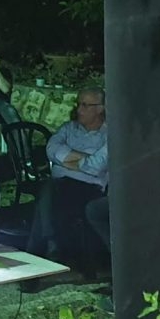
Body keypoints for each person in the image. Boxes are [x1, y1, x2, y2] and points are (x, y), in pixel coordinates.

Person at [45, 88, 108, 272]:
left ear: (100, 108)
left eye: (85, 105)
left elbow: (97, 166)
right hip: (60, 182)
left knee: (52, 198)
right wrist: (85, 159)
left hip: (89, 186)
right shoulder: (69, 128)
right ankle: (58, 253)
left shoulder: (109, 134)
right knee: (49, 192)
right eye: (78, 104)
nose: (79, 110)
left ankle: (43, 251)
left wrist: (66, 160)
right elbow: (51, 149)